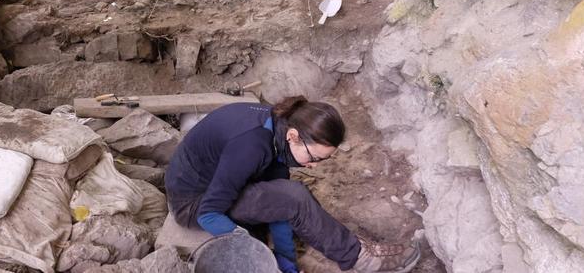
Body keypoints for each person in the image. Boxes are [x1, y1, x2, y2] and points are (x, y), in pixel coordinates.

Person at [165, 96, 421, 273]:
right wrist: (248, 246)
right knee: (295, 196)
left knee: (293, 196)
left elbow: (280, 206)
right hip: (193, 202)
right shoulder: (252, 146)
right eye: (314, 158)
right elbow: (210, 214)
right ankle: (359, 258)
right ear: (294, 136)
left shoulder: (277, 132)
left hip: (218, 182)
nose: (313, 166)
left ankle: (343, 246)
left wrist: (286, 259)